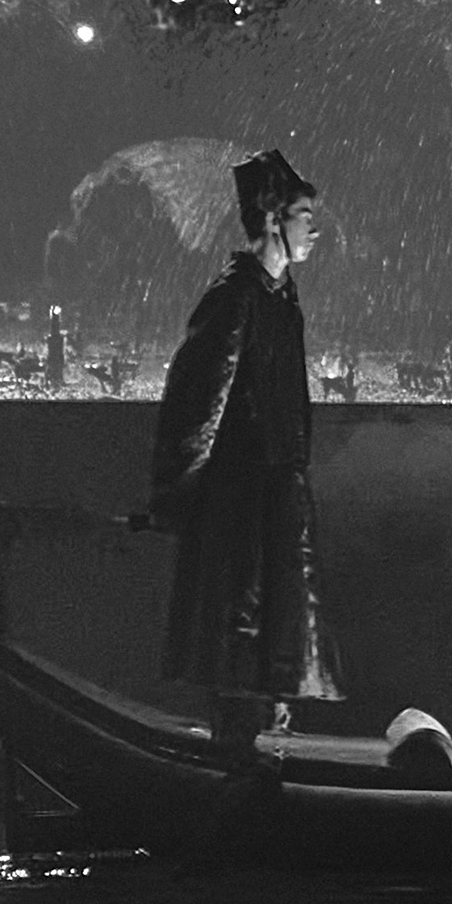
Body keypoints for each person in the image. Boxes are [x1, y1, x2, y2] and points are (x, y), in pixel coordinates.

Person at [149, 146, 340, 738]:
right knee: (241, 645)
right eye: (304, 215)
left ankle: (263, 745)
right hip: (243, 512)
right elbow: (195, 408)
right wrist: (180, 500)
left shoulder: (279, 297)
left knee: (272, 652)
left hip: (276, 505)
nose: (314, 228)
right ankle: (238, 756)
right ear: (273, 219)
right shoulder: (235, 298)